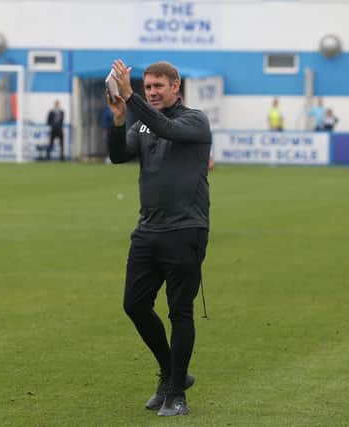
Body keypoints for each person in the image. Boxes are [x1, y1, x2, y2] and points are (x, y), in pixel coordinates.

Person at [106, 59, 211, 417]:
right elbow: (118, 156)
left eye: (157, 87)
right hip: (148, 230)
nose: (152, 92)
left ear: (176, 86)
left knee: (180, 311)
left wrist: (131, 96)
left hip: (185, 229)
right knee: (134, 304)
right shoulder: (141, 123)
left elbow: (166, 128)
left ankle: (177, 395)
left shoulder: (194, 120)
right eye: (147, 87)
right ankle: (172, 375)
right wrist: (120, 119)